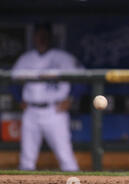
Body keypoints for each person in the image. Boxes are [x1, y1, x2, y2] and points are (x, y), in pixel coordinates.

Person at [11, 23, 81, 172]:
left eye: (45, 36)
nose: (42, 39)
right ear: (34, 37)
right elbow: (12, 81)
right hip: (31, 111)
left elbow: (83, 80)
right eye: (39, 35)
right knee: (26, 160)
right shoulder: (26, 59)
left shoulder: (63, 58)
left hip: (55, 111)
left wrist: (71, 99)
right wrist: (18, 99)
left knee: (65, 156)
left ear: (50, 38)